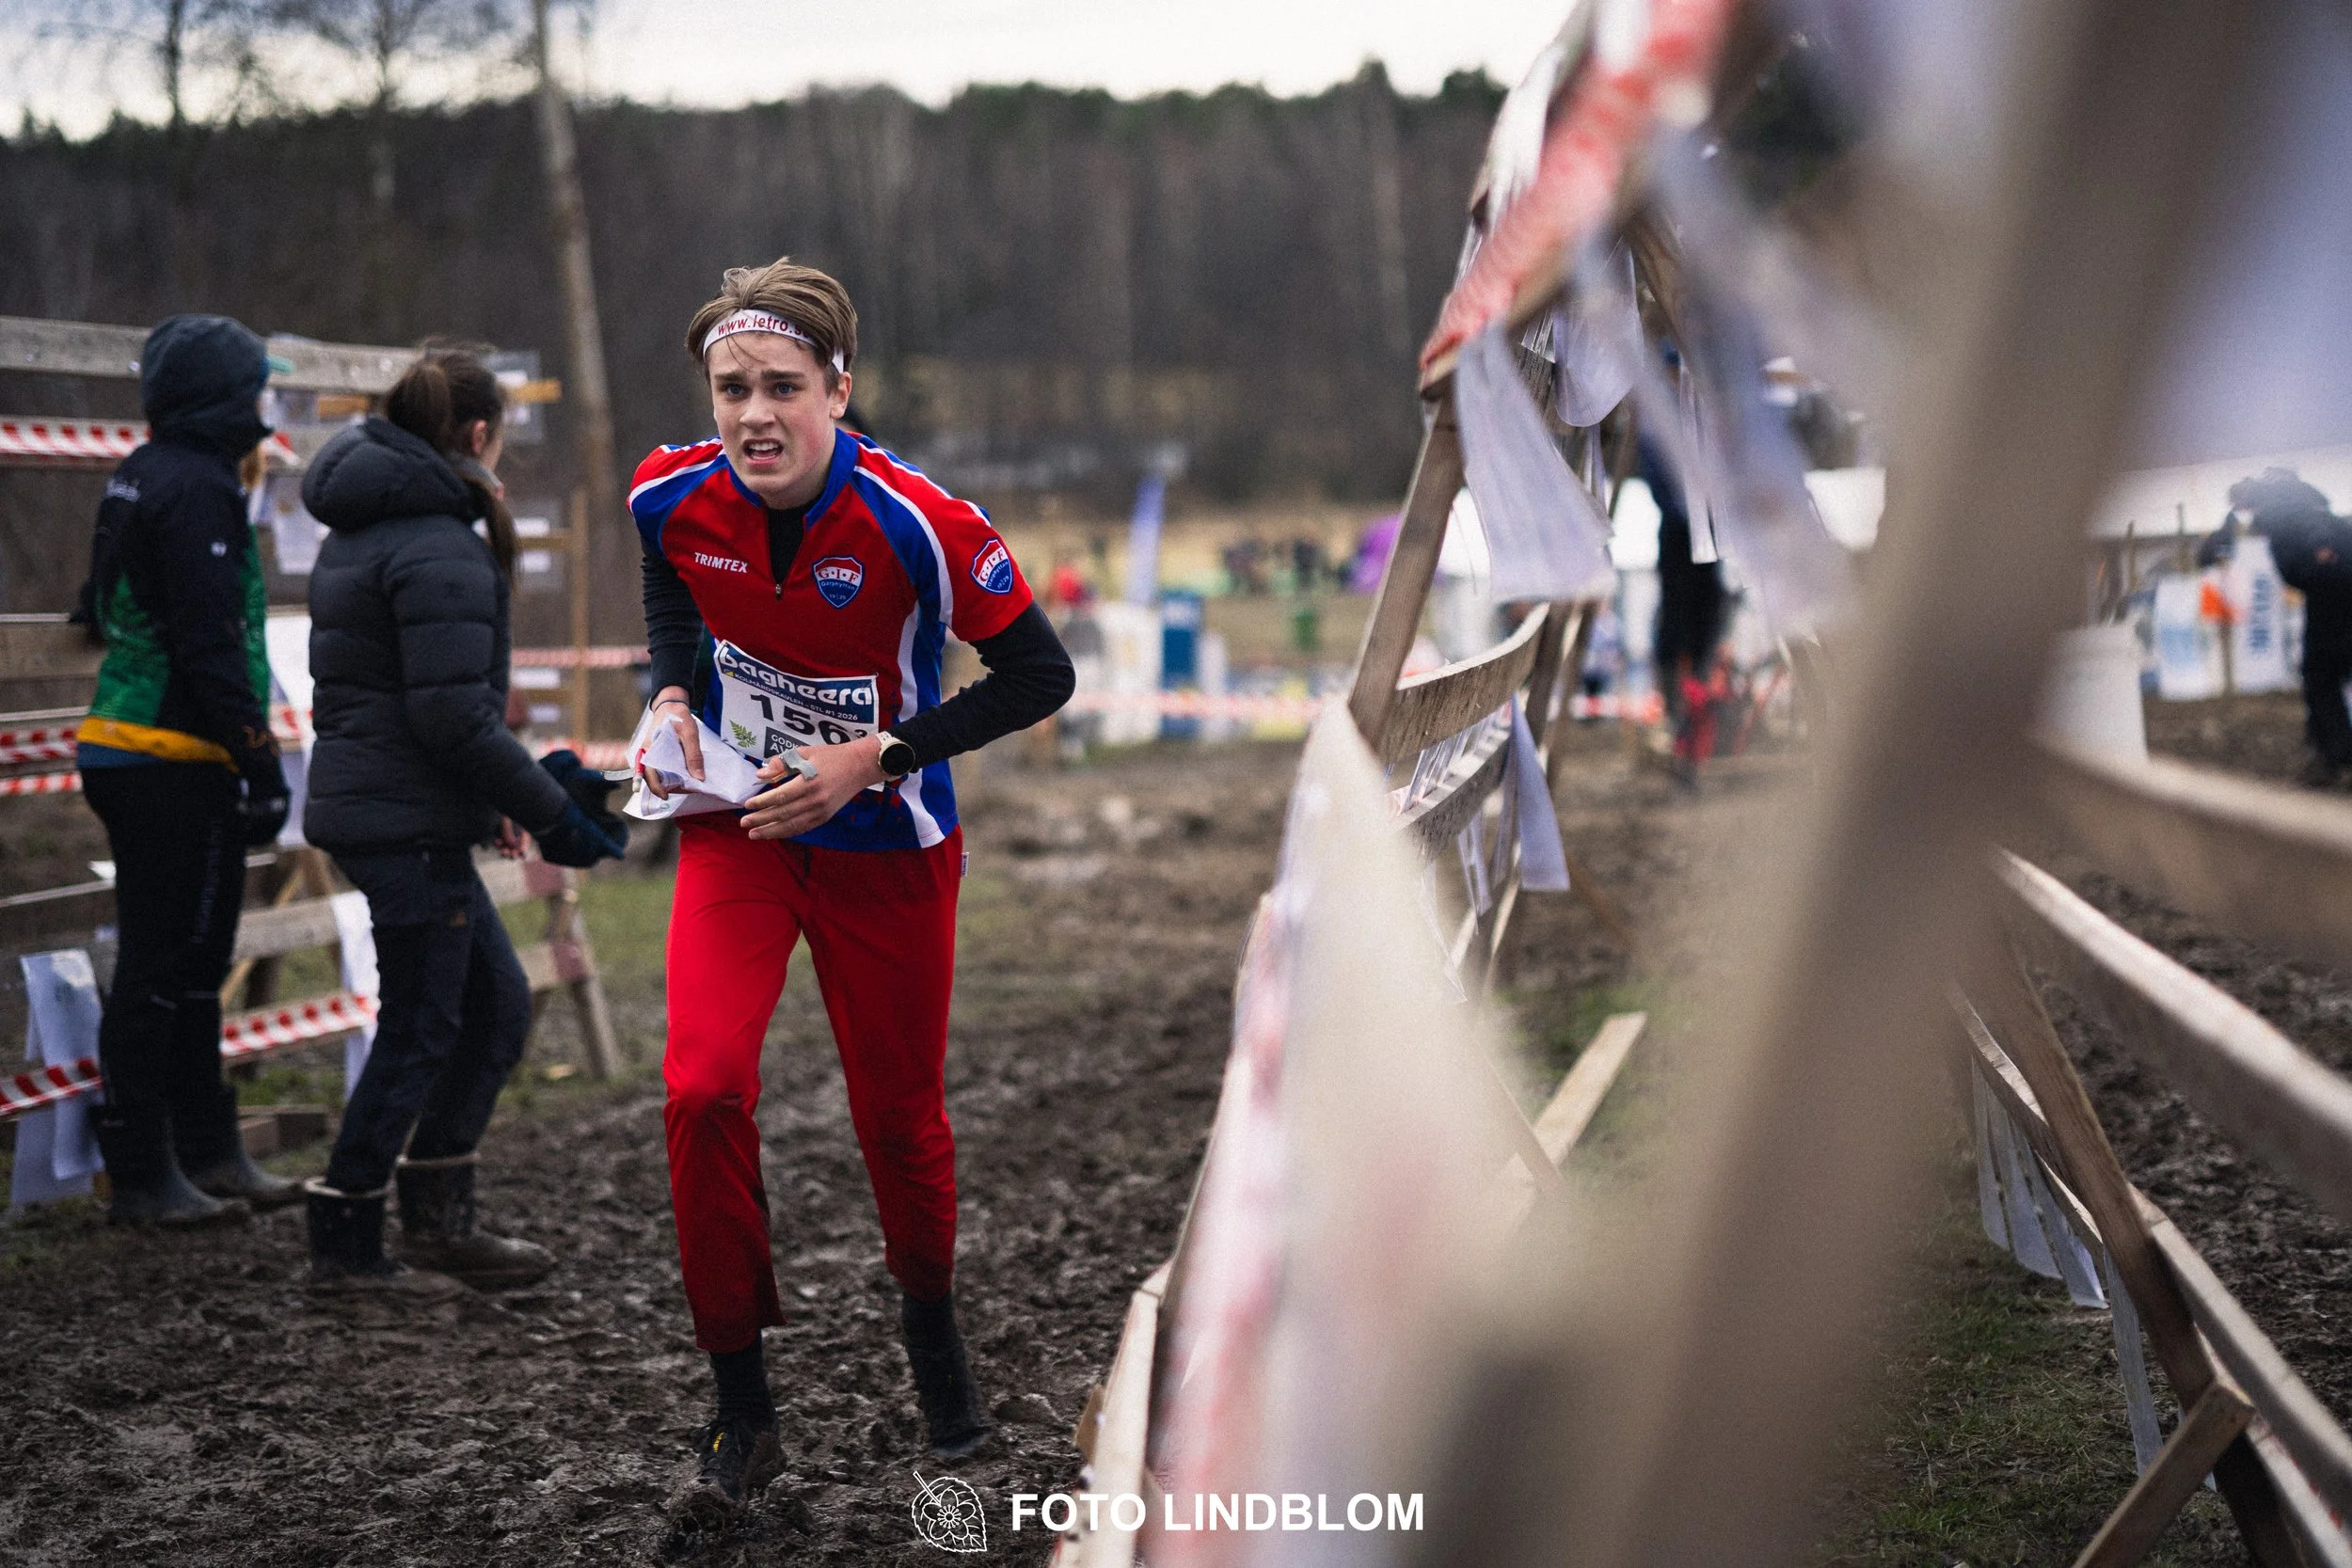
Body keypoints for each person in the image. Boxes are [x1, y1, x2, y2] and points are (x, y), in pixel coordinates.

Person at [633, 257, 1073, 1526]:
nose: (753, 415)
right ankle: (743, 1407)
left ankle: (935, 1342)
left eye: (781, 386)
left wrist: (874, 753)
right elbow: (669, 573)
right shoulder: (672, 488)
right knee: (700, 1083)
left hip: (892, 841)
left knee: (900, 1120)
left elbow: (1040, 675)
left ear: (839, 388)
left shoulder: (922, 519)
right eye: (731, 390)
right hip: (742, 831)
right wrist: (671, 689)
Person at [300, 345, 626, 1291]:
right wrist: (551, 810)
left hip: (406, 810)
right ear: (479, 435)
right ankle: (347, 1238)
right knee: (423, 1022)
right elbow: (449, 714)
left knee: (492, 1005)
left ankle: (436, 1215)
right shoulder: (436, 538)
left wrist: (498, 796)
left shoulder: (376, 523)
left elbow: (428, 706)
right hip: (400, 818)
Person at [73, 313, 296, 1227]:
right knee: (162, 964)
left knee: (195, 962)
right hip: (168, 753)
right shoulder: (198, 486)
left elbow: (95, 603)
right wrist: (261, 759)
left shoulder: (139, 473)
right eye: (254, 388)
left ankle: (209, 1149)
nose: (264, 405)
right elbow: (210, 643)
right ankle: (140, 1170)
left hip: (136, 744)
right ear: (216, 398)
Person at [2198, 467, 2352, 784]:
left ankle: (2336, 755)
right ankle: (2326, 752)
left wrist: (2321, 551)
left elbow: (2316, 533)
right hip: (2330, 592)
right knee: (2321, 674)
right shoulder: (2304, 501)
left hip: (2331, 592)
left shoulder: (2284, 513)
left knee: (2320, 675)